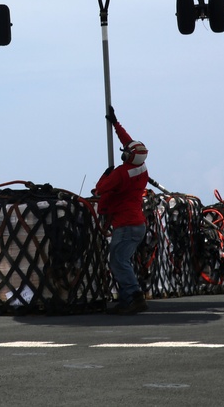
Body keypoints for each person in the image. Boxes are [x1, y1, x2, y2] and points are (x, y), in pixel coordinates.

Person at [93, 106, 149, 314]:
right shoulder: (141, 168)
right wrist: (116, 123)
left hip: (126, 225)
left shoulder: (121, 174)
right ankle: (128, 298)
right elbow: (129, 143)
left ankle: (134, 296)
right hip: (136, 224)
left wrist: (105, 175)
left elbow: (101, 189)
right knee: (122, 261)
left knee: (118, 262)